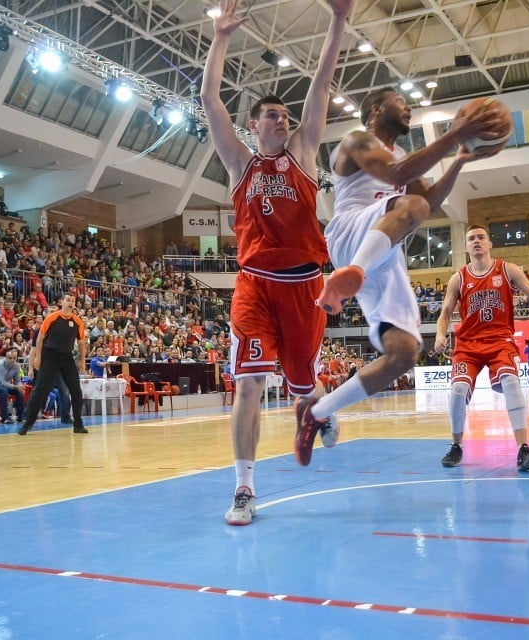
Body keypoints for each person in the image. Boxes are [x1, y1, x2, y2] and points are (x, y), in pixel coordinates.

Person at [200, 0, 352, 526]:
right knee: (249, 383)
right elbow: (208, 99)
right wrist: (221, 37)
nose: (281, 119)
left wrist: (337, 22)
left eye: (284, 115)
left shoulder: (305, 152)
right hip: (255, 285)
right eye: (271, 115)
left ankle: (318, 411)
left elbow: (322, 87)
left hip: (305, 286)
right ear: (253, 125)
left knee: (305, 384)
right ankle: (244, 488)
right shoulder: (240, 163)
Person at [295, 89, 498, 461]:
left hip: (385, 249)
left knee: (404, 353)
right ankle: (352, 271)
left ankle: (317, 412)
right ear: (376, 110)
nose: (408, 107)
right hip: (351, 230)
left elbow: (432, 202)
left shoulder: (408, 158)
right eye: (400, 101)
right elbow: (398, 175)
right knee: (412, 204)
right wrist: (454, 134)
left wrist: (459, 159)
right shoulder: (358, 140)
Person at [435, 225, 529, 471]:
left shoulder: (507, 269)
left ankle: (523, 449)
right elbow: (445, 312)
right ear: (466, 247)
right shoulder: (459, 277)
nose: (477, 241)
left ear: (490, 243)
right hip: (468, 344)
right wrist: (441, 333)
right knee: (458, 390)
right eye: (471, 239)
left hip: (499, 340)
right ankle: (456, 446)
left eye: (481, 237)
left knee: (512, 382)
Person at [19, 293, 87, 435]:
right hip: (50, 356)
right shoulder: (52, 317)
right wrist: (38, 357)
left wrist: (82, 361)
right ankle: (27, 423)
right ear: (62, 302)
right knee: (40, 389)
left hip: (67, 357)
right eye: (68, 300)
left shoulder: (78, 322)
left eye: (73, 301)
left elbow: (81, 343)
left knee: (76, 390)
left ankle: (78, 424)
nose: (71, 302)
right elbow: (40, 339)